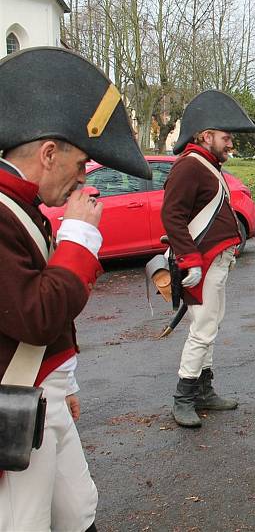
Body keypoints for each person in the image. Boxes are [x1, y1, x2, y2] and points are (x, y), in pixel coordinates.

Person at [0, 47, 150, 532]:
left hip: (48, 390)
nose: (83, 176)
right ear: (48, 154)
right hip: (19, 396)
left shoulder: (17, 204)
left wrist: (67, 381)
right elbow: (34, 314)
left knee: (78, 508)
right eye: (81, 162)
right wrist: (80, 238)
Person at [162, 90, 255, 428]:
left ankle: (204, 390)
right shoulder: (190, 167)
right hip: (200, 265)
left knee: (208, 326)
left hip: (212, 263)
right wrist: (189, 259)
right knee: (202, 330)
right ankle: (184, 397)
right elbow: (172, 216)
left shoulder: (205, 165)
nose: (229, 142)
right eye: (225, 136)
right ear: (206, 136)